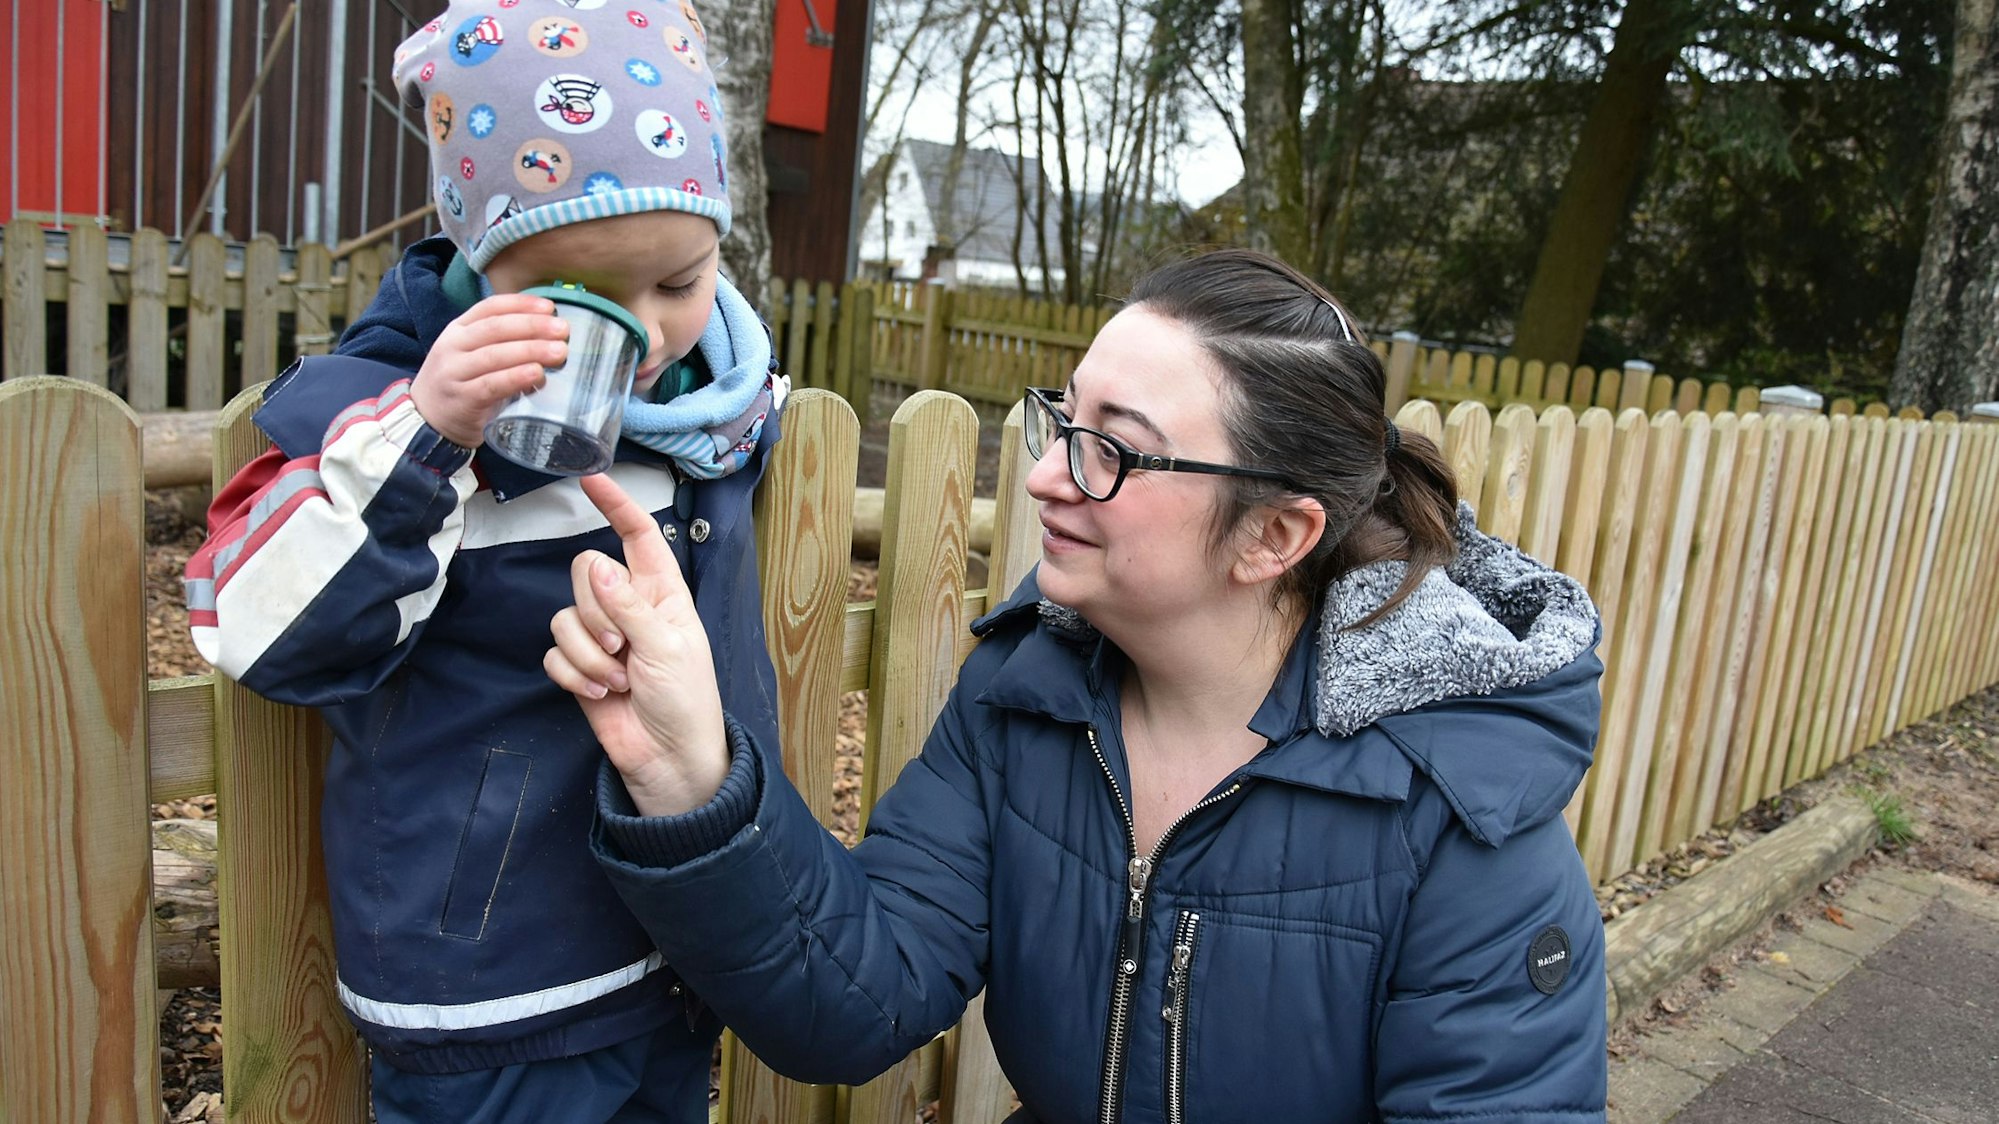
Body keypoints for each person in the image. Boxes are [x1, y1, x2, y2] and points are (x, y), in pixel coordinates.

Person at [553, 249, 1609, 1121]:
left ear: (1275, 535)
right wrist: (693, 775)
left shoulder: (1457, 809)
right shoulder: (1027, 692)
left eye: (1112, 449)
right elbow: (853, 997)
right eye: (1062, 419)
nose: (1045, 474)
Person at [183, 2, 783, 1119]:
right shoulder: (384, 414)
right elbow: (256, 628)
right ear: (480, 258)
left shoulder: (714, 409)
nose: (649, 335)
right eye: (589, 294)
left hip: (680, 954)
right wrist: (429, 434)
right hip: (492, 995)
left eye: (682, 278)